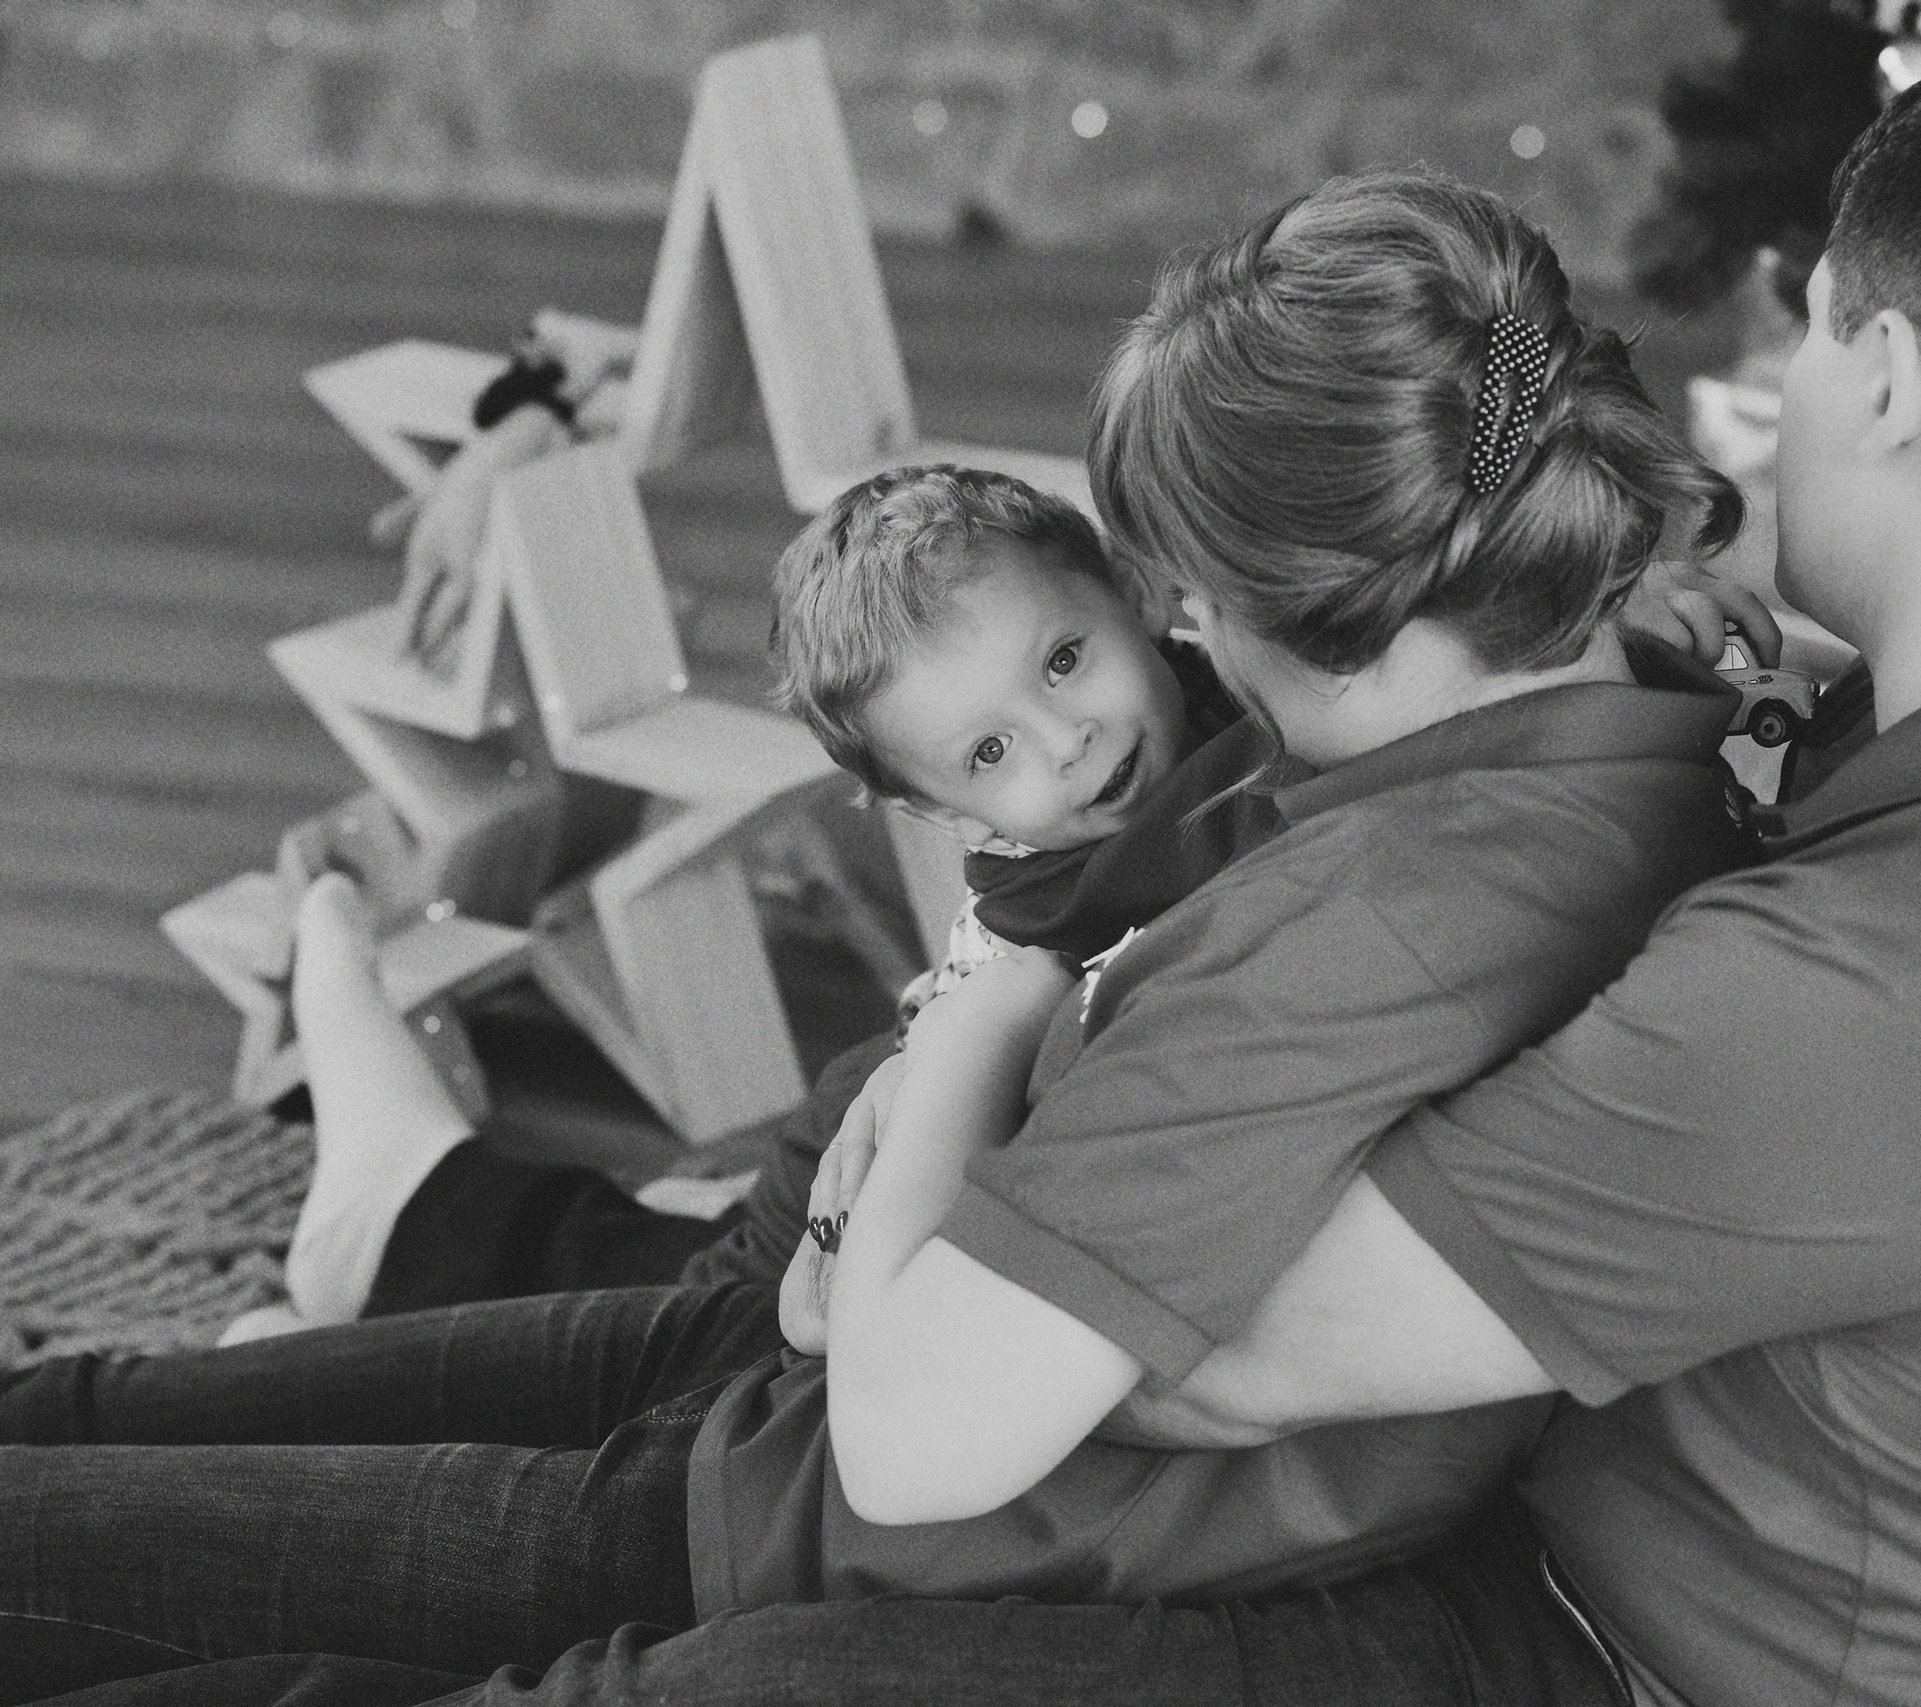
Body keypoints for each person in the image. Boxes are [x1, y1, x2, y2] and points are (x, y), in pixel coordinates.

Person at [4, 44, 1921, 1707]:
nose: (1766, 378)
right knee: (668, 1348)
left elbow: (1060, 1372)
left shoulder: (1844, 985)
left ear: (1891, 378)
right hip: (1646, 1543)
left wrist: (990, 1006)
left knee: (669, 1592)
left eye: (1801, 326)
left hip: (1579, 1634)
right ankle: (423, 1240)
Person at [0, 168, 1765, 1681]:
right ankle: (394, 1219)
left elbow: (914, 1413)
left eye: (1193, 606)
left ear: (1296, 607)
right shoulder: (1623, 727)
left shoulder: (1395, 908)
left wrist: (983, 1008)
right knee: (112, 1436)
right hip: (788, 1420)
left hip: (820, 1512)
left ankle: (390, 1208)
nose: (1182, 653)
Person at [270, 461, 1276, 1332]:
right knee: (674, 1334)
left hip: (902, 1164)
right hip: (855, 1188)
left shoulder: (1253, 702)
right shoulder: (1054, 894)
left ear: (1139, 592)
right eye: (989, 751)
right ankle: (360, 1278)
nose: (1068, 742)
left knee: (658, 1272)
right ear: (954, 818)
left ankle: (415, 1210)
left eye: (1063, 661)